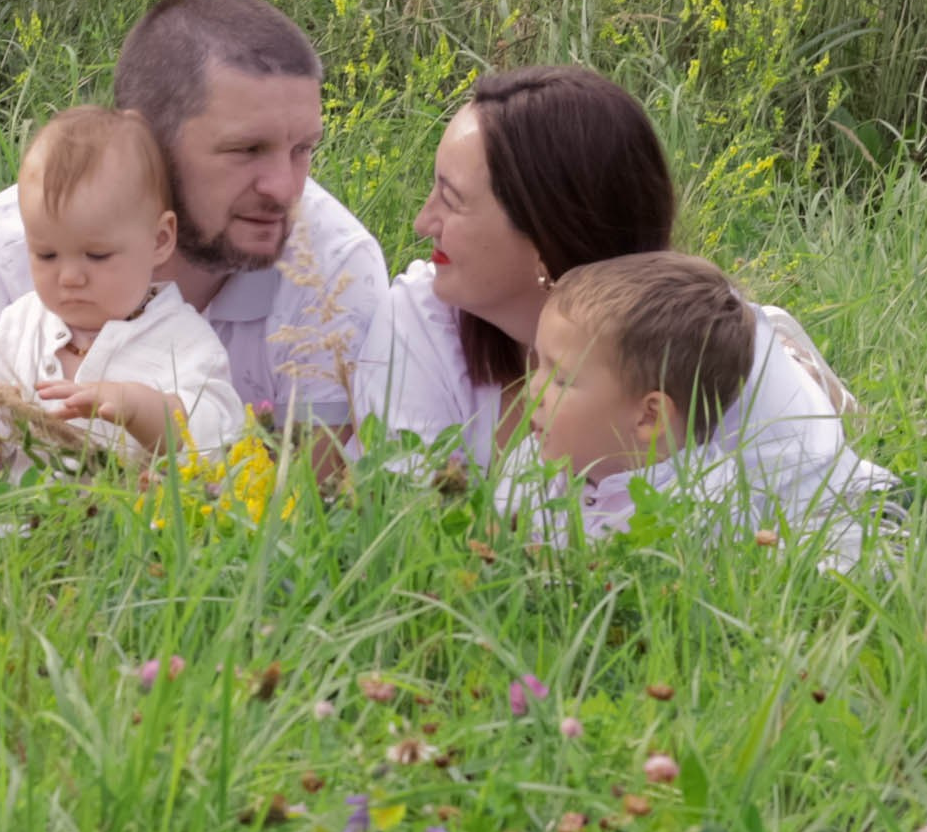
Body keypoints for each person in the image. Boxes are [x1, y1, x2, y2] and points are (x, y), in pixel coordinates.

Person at [369, 65, 895, 564]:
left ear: (542, 236)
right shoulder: (420, 319)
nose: (422, 221)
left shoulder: (705, 346)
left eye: (452, 200)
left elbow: (851, 518)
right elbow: (406, 535)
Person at [0, 0, 388, 479]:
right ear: (147, 136)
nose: (285, 188)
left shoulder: (334, 270)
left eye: (303, 148)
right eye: (246, 150)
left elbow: (312, 503)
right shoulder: (4, 248)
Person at [0, 107, 245, 474]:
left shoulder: (182, 340)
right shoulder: (19, 329)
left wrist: (138, 409)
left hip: (129, 525)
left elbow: (216, 435)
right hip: (23, 524)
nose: (69, 277)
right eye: (47, 254)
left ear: (160, 240)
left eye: (97, 255)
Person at [510, 251, 756, 535]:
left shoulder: (698, 513)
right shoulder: (533, 460)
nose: (532, 391)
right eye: (539, 364)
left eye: (562, 380)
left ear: (649, 417)